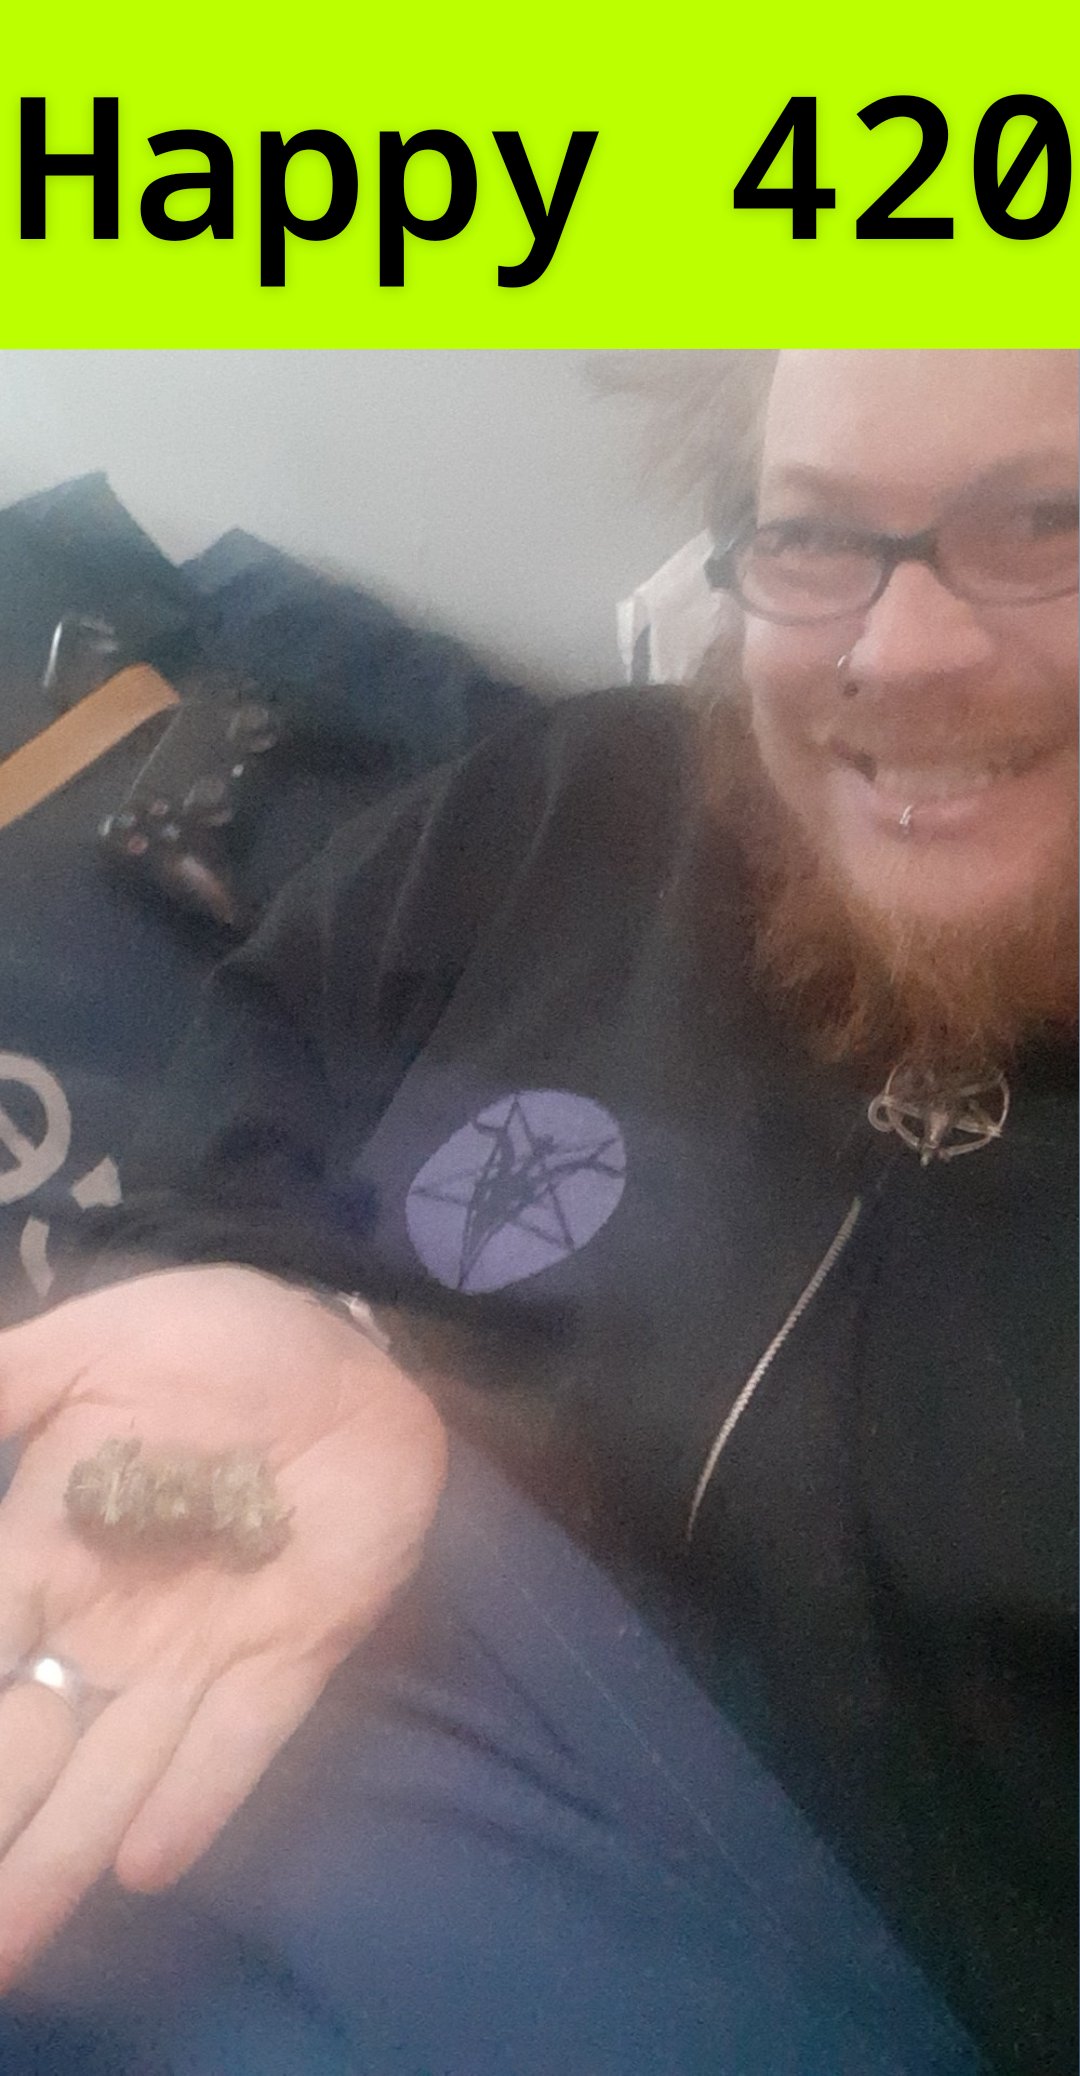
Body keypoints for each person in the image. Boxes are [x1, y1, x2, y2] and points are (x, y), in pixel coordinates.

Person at [0, 350, 1074, 2074]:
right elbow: (254, 1093)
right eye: (813, 537)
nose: (897, 649)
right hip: (189, 1700)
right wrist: (273, 1307)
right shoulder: (569, 805)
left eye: (1041, 523)